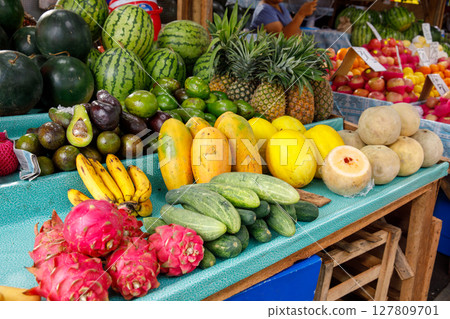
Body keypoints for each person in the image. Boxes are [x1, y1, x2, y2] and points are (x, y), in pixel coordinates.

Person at [250, 0, 317, 37]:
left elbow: (296, 31)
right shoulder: (264, 10)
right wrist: (301, 14)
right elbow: (283, 39)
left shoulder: (281, 6)